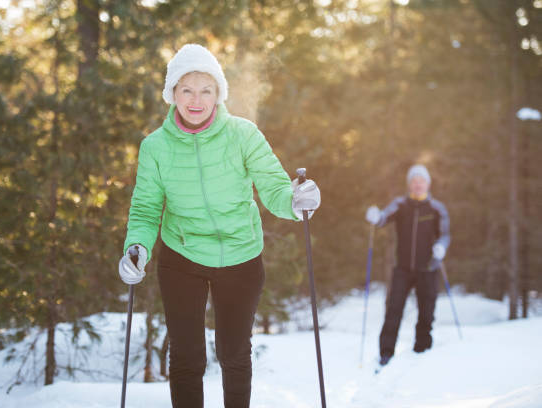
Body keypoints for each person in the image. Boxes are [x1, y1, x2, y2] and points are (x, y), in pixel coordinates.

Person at [118, 44, 321, 408]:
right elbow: (147, 208)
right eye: (187, 90)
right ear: (172, 94)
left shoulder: (243, 134)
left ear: (218, 94)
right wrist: (138, 247)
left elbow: (273, 186)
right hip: (182, 257)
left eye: (206, 90)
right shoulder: (155, 147)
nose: (196, 100)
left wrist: (294, 200)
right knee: (186, 356)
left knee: (234, 353)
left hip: (240, 254)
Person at [365, 164, 450, 366]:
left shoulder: (437, 209)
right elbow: (384, 218)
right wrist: (376, 218)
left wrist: (441, 247)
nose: (418, 184)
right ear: (409, 184)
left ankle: (422, 352)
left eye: (421, 180)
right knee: (393, 310)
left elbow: (445, 234)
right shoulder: (401, 204)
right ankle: (386, 354)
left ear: (428, 183)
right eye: (414, 181)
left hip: (428, 269)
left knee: (426, 314)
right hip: (402, 269)